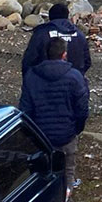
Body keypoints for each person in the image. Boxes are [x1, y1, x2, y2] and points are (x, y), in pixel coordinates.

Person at [19, 37, 89, 193]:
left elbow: (25, 110)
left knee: (41, 172)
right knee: (68, 170)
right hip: (66, 134)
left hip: (40, 136)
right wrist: (76, 130)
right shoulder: (75, 77)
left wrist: (31, 136)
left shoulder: (31, 76)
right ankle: (65, 197)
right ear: (64, 55)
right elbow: (82, 110)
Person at [21, 2, 91, 76]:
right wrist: (78, 76)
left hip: (45, 79)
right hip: (73, 80)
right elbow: (87, 61)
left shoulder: (41, 34)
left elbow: (29, 59)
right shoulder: (79, 35)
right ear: (67, 16)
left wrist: (30, 80)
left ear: (50, 17)